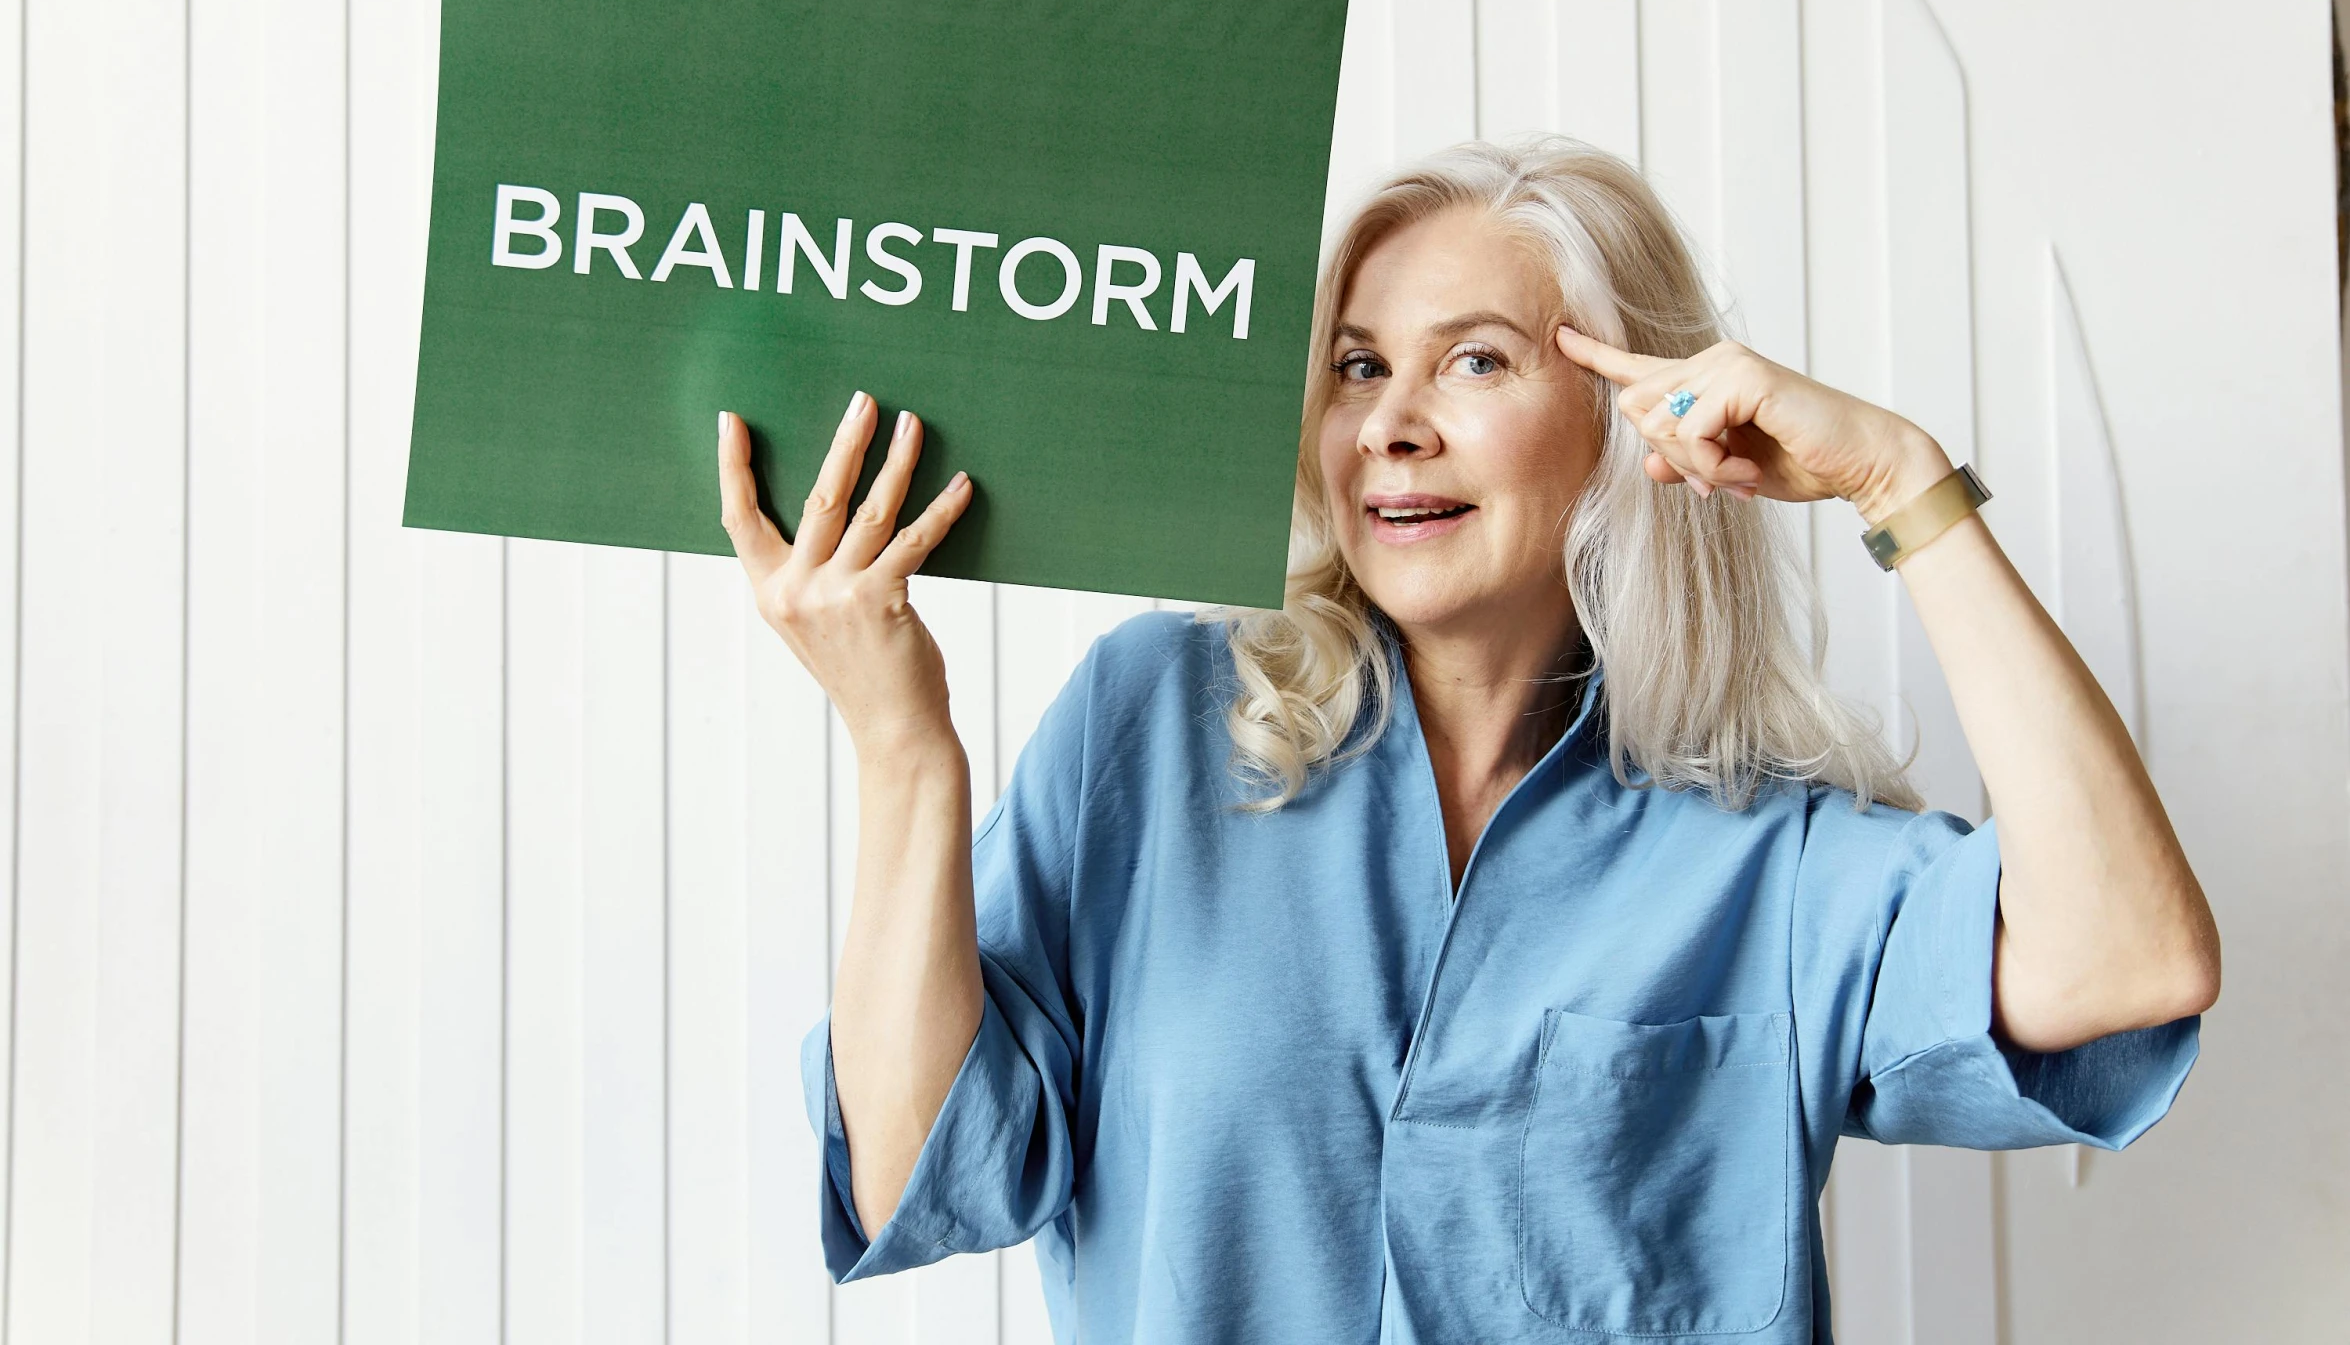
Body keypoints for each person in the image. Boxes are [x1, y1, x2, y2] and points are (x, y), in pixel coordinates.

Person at [713, 136, 2217, 1344]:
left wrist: (1899, 478)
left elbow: (2126, 962)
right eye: (1359, 366)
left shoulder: (1766, 853)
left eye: (1477, 361)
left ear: (1635, 412)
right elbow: (922, 1163)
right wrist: (904, 746)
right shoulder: (1153, 725)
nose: (1391, 424)